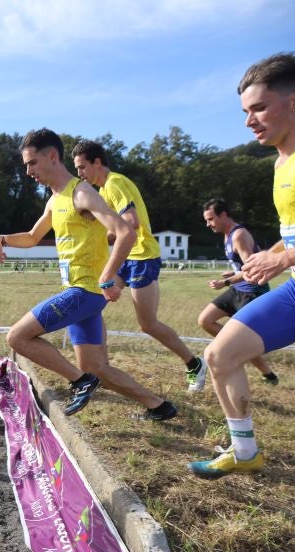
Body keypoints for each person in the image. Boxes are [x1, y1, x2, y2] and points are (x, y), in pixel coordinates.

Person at [188, 53, 295, 479]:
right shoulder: (283, 160)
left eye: (259, 108)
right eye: (246, 111)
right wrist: (270, 259)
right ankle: (245, 452)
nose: (249, 121)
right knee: (220, 355)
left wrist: (283, 257)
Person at [0, 128, 178, 420]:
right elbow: (31, 237)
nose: (28, 172)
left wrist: (108, 277)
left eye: (32, 163)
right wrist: (1, 238)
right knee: (96, 366)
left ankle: (80, 382)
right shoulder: (55, 199)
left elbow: (125, 232)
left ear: (52, 156)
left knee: (17, 337)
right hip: (79, 294)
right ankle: (159, 406)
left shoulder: (82, 193)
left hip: (85, 292)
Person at [72, 140, 207, 393]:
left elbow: (131, 222)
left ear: (97, 162)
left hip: (142, 256)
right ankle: (102, 370)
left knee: (147, 324)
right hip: (126, 257)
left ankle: (194, 363)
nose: (80, 174)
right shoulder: (103, 191)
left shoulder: (115, 183)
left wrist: (105, 237)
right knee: (95, 303)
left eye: (82, 167)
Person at [198, 199, 279, 385]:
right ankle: (237, 348)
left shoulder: (238, 236)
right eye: (206, 220)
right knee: (205, 320)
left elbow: (253, 270)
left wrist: (225, 281)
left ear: (224, 215)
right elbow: (243, 265)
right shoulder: (226, 235)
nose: (208, 224)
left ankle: (268, 374)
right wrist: (234, 273)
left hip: (253, 292)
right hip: (238, 289)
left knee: (238, 341)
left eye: (211, 219)